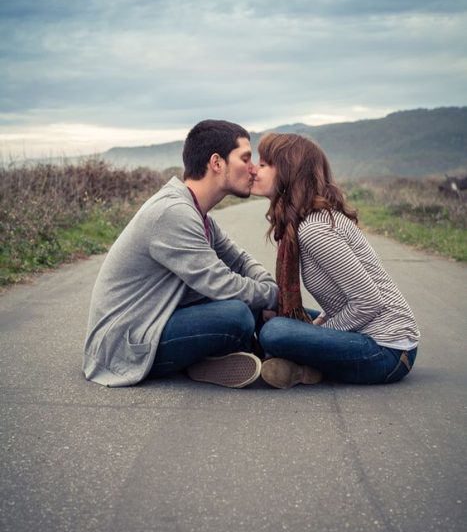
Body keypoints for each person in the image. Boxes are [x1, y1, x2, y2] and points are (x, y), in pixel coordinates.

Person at [83, 120, 278, 388]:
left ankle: (290, 342)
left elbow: (240, 260)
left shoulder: (198, 213)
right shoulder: (174, 213)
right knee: (238, 314)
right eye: (245, 158)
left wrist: (271, 290)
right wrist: (271, 295)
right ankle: (261, 352)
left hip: (159, 321)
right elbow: (223, 284)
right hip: (125, 345)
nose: (253, 168)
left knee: (266, 306)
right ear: (217, 163)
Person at [251, 132, 420, 389]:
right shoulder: (303, 224)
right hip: (363, 335)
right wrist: (315, 328)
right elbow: (338, 302)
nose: (254, 169)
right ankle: (303, 367)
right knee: (271, 314)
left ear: (287, 171)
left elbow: (368, 302)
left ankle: (300, 364)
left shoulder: (315, 229)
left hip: (388, 351)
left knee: (275, 332)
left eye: (263, 164)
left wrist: (316, 334)